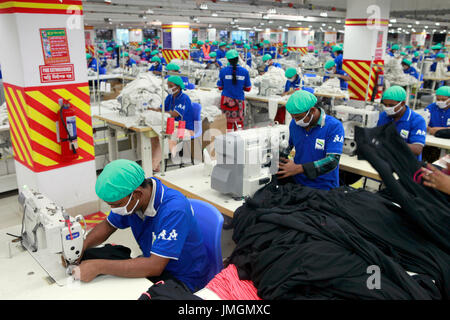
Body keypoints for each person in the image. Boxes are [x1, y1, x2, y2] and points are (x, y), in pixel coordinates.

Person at [72, 159, 209, 292]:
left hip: (183, 278)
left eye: (116, 205)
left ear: (137, 194)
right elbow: (108, 225)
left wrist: (98, 267)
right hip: (154, 264)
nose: (114, 209)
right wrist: (81, 247)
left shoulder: (173, 210)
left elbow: (155, 266)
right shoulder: (133, 201)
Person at [277, 90, 345, 190]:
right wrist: (276, 159)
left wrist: (299, 168)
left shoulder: (334, 126)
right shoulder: (294, 125)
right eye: (293, 117)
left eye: (298, 117)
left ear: (312, 111)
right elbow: (287, 148)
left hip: (324, 188)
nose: (296, 121)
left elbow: (332, 161)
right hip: (298, 184)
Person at [148, 76, 196, 171]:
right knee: (154, 136)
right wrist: (151, 110)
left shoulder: (184, 98)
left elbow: (174, 114)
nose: (168, 87)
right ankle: (156, 165)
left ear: (178, 87)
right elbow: (162, 109)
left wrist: (159, 113)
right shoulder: (170, 97)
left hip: (186, 129)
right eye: (167, 85)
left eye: (170, 86)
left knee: (164, 137)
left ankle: (152, 166)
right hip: (173, 126)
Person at [377, 85, 427, 159]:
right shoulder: (383, 116)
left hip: (407, 163)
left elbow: (417, 149)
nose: (387, 108)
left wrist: (392, 144)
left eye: (391, 105)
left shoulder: (417, 120)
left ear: (402, 103)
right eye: (385, 104)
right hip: (386, 158)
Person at [217, 49, 252, 131]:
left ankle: (227, 141)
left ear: (228, 60)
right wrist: (239, 86)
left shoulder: (223, 71)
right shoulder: (245, 72)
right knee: (239, 124)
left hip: (226, 102)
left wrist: (228, 85)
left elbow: (220, 87)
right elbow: (248, 88)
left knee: (227, 124)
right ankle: (238, 141)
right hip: (238, 102)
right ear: (238, 59)